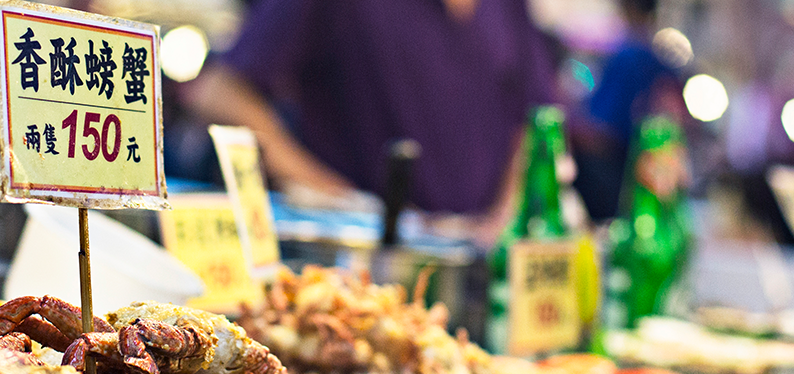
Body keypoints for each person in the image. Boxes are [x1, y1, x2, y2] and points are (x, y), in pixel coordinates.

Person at [190, 0, 557, 246]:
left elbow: (537, 123)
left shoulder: (507, 8)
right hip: (352, 258)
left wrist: (502, 221)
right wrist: (328, 192)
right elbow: (221, 93)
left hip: (466, 264)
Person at [574, 0, 682, 223]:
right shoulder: (661, 60)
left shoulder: (627, 56)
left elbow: (602, 129)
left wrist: (572, 126)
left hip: (615, 174)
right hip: (647, 173)